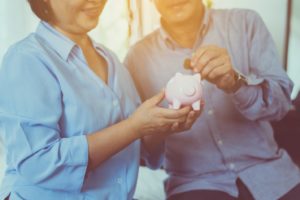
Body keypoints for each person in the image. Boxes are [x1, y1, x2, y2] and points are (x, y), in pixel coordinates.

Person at [0, 0, 201, 199]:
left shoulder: (110, 59)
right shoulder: (27, 59)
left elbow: (135, 146)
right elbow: (38, 163)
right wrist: (134, 127)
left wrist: (160, 126)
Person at [125, 0, 300, 199]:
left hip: (271, 173)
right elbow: (147, 156)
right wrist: (159, 129)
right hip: (194, 184)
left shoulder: (245, 23)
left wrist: (236, 83)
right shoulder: (136, 59)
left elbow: (282, 105)